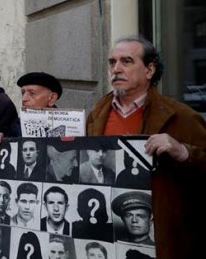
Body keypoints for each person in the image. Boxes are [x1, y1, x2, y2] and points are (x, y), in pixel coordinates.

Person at [86, 36, 206, 258]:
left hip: (162, 239)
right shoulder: (96, 114)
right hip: (111, 234)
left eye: (127, 61)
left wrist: (184, 152)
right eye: (112, 62)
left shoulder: (181, 116)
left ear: (150, 70)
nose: (117, 69)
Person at [0, 72, 63, 145]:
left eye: (32, 93)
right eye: (23, 93)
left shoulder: (67, 125)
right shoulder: (18, 125)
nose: (24, 99)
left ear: (52, 98)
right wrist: (1, 138)